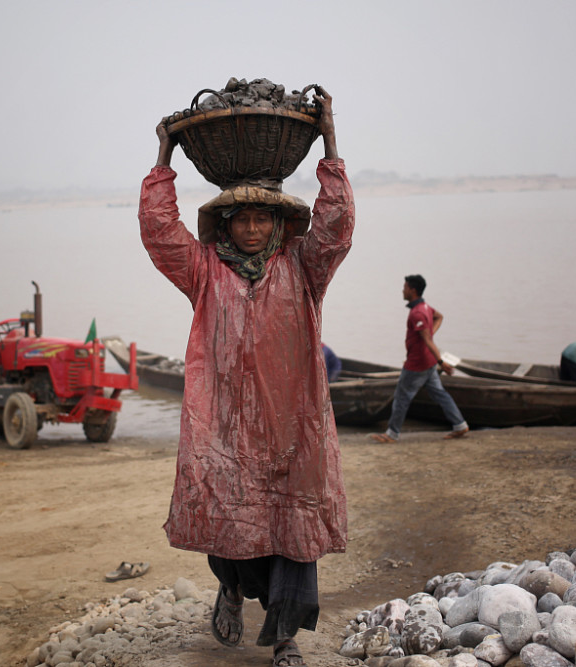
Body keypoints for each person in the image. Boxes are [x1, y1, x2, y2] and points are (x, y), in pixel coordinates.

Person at [139, 86, 353, 667]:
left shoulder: (304, 268)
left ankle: (285, 638)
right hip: (225, 429)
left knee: (294, 533)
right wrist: (164, 157)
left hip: (293, 428)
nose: (253, 229)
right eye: (243, 220)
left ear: (280, 224)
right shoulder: (204, 271)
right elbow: (161, 234)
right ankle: (230, 590)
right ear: (226, 225)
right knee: (229, 524)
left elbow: (336, 225)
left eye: (264, 218)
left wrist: (329, 137)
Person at [370, 274, 469, 443]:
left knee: (401, 396)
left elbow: (428, 340)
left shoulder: (417, 313)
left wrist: (441, 361)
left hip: (418, 364)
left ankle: (391, 434)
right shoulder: (425, 307)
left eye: (405, 287)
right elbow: (439, 317)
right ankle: (460, 425)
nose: (403, 290)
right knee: (440, 394)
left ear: (412, 290)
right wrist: (431, 343)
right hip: (428, 362)